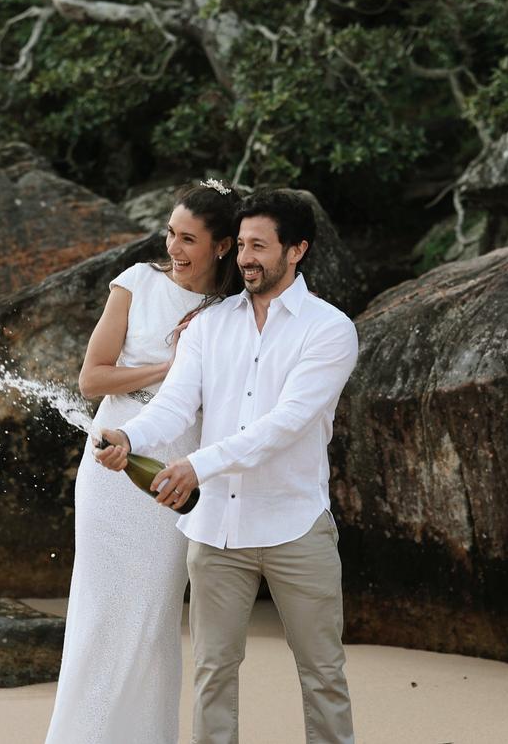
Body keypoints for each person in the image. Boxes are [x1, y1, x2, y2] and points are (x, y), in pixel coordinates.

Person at [96, 189, 359, 744]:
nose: (245, 258)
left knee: (323, 676)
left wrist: (197, 465)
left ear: (298, 250)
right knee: (212, 674)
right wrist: (128, 434)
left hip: (297, 527)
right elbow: (173, 405)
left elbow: (285, 425)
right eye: (240, 245)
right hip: (215, 532)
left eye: (259, 246)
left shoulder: (330, 329)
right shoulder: (209, 328)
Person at [44, 181, 242, 744]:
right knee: (98, 604)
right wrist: (169, 367)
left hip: (174, 475)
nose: (174, 248)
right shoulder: (136, 283)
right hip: (110, 465)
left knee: (152, 614)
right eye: (170, 234)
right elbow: (92, 377)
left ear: (223, 246)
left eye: (189, 239)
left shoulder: (233, 312)